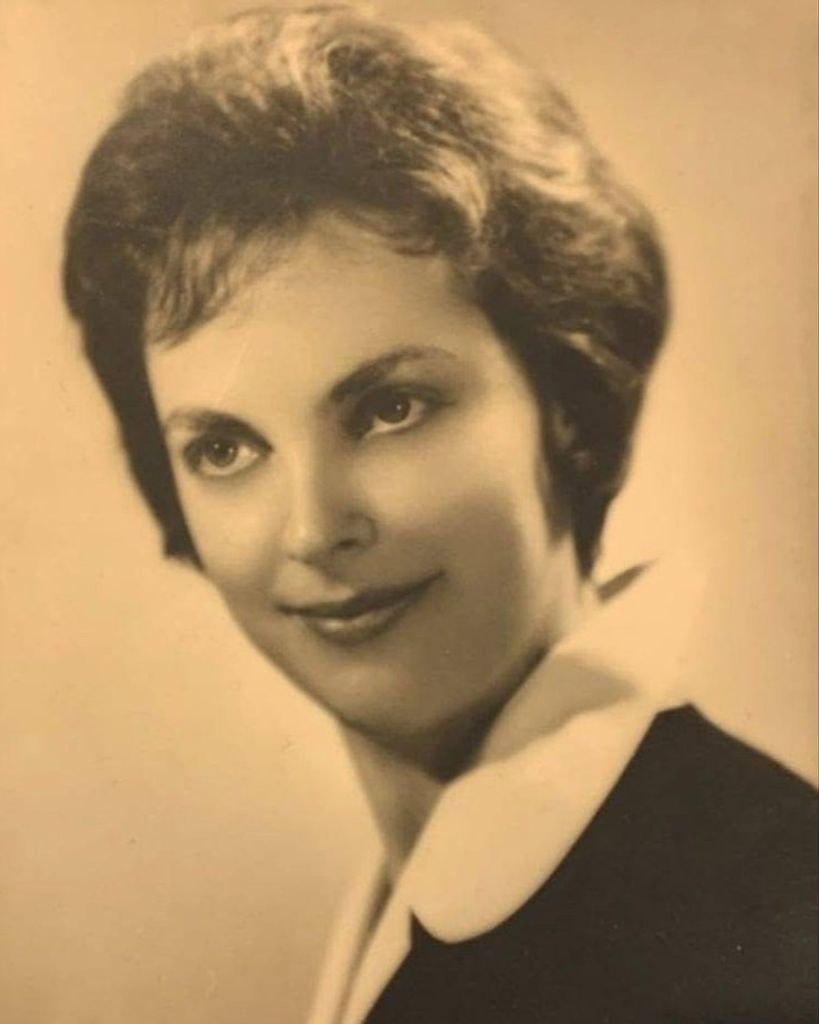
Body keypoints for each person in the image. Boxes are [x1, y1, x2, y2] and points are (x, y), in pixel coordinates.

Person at [62, 5, 816, 1022]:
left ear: (564, 398)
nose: (312, 529)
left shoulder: (760, 924)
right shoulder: (425, 905)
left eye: (390, 409)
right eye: (226, 448)